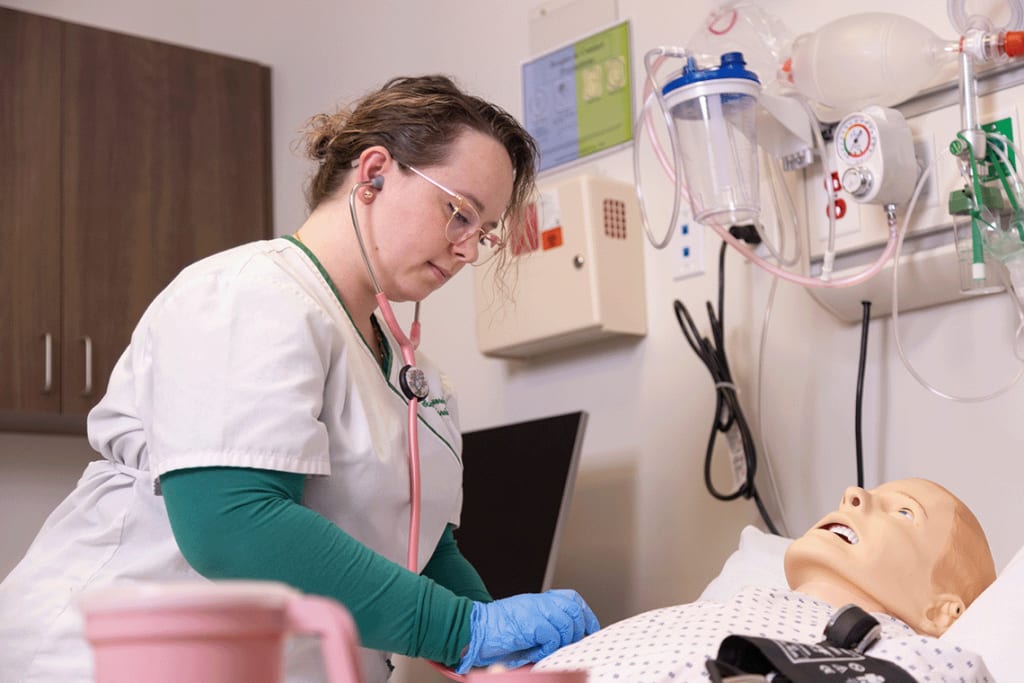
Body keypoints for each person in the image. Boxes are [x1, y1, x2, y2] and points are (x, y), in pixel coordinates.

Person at [0, 75, 599, 683]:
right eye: (460, 214)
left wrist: (497, 646)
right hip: (101, 663)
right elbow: (231, 524)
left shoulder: (412, 369)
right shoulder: (246, 294)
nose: (470, 250)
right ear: (373, 174)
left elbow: (420, 545)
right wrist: (458, 631)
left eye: (485, 232)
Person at [535, 478, 997, 682]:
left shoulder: (927, 662)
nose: (853, 495)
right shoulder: (717, 612)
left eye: (903, 512)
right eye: (865, 493)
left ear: (943, 611)